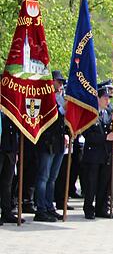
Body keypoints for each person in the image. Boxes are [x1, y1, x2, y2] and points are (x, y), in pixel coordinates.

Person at [33, 70, 68, 222]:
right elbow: (50, 117)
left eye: (62, 83)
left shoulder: (60, 98)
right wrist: (62, 109)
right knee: (43, 177)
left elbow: (63, 122)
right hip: (47, 142)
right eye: (58, 82)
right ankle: (41, 209)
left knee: (52, 178)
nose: (61, 85)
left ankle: (49, 206)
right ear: (51, 81)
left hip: (59, 142)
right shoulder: (46, 97)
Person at [81, 87, 113, 220]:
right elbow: (87, 134)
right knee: (91, 184)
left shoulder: (109, 113)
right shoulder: (91, 113)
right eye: (105, 97)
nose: (107, 100)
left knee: (103, 183)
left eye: (108, 98)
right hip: (93, 155)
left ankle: (101, 208)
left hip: (105, 154)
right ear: (98, 98)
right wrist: (105, 138)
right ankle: (88, 209)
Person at [0, 113, 23, 224]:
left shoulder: (10, 109)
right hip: (1, 148)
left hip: (10, 149)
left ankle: (6, 212)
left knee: (7, 184)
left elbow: (16, 130)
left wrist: (16, 151)